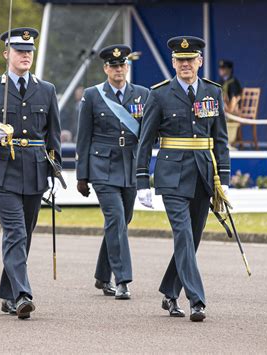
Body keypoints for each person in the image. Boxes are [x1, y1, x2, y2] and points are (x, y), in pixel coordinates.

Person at [136, 36, 230, 322]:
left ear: (200, 61)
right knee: (184, 235)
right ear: (173, 63)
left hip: (203, 174)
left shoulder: (213, 92)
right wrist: (143, 180)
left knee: (193, 239)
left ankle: (169, 290)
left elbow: (221, 139)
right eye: (180, 60)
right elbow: (146, 140)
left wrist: (223, 179)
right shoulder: (160, 94)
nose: (186, 65)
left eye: (191, 60)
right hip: (172, 176)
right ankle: (196, 300)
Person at [0, 27, 62, 319]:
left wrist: (54, 170)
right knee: (15, 232)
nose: (25, 55)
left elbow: (53, 136)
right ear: (6, 54)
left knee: (26, 235)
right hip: (2, 171)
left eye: (29, 51)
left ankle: (8, 294)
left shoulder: (46, 90)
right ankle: (23, 294)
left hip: (35, 170)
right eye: (19, 51)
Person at [76, 44, 149, 300]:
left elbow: (147, 135)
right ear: (106, 68)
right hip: (102, 167)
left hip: (130, 165)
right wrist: (81, 176)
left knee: (120, 221)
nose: (119, 70)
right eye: (114, 66)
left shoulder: (142, 94)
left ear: (127, 67)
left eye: (122, 65)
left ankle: (101, 275)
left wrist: (146, 172)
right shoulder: (93, 95)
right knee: (116, 220)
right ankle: (123, 280)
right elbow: (83, 137)